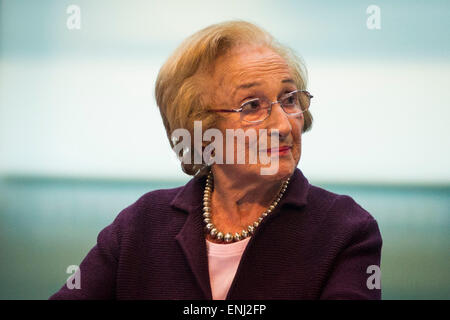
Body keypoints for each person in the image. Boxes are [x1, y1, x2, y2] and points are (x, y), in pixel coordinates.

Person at [50, 20, 382, 300]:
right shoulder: (140, 224)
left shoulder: (347, 229)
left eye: (290, 99)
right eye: (252, 105)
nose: (283, 125)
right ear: (201, 127)